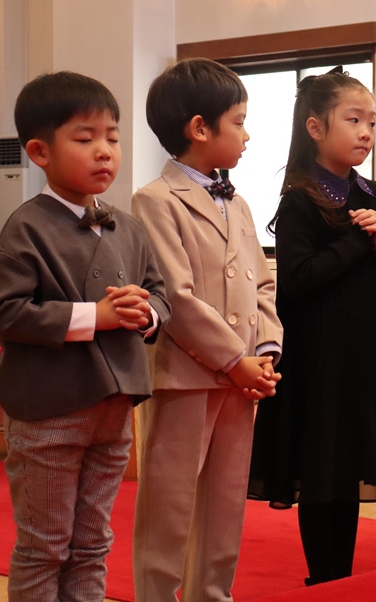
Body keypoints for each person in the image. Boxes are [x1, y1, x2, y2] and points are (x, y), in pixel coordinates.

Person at [0, 72, 171, 602]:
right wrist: (97, 316)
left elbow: (160, 296)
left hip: (113, 410)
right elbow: (6, 314)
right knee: (45, 547)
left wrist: (145, 313)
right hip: (50, 411)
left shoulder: (128, 226)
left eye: (112, 137)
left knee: (93, 542)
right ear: (39, 152)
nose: (104, 151)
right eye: (85, 139)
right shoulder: (25, 228)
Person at [247, 68, 376, 586]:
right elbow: (297, 280)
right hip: (320, 352)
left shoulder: (372, 192)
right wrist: (356, 241)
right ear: (316, 128)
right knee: (323, 464)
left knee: (351, 462)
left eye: (372, 123)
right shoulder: (300, 198)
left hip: (367, 349)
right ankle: (323, 578)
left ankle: (341, 579)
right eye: (354, 120)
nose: (366, 132)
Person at [130, 58, 284, 602]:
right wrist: (234, 360)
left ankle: (213, 594)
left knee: (225, 501)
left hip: (242, 379)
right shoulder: (154, 199)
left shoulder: (238, 202)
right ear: (200, 128)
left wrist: (265, 352)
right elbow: (176, 296)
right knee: (169, 505)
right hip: (187, 376)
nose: (247, 135)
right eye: (238, 122)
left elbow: (264, 283)